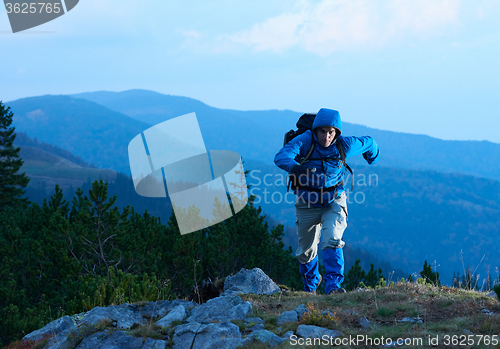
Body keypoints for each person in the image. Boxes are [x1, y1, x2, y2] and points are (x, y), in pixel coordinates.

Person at [274, 108, 380, 294]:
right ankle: (310, 287)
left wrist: (372, 156)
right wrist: (294, 167)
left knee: (332, 238)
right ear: (315, 130)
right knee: (306, 251)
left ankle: (333, 287)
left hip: (334, 199)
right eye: (322, 131)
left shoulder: (344, 144)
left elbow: (369, 142)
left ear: (337, 132)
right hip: (307, 202)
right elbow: (282, 155)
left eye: (331, 132)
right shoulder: (305, 140)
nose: (326, 136)